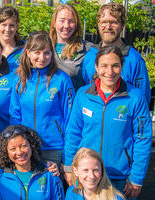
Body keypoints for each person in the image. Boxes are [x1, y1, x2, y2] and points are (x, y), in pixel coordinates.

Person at [63, 46, 152, 199]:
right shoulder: (83, 95)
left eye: (115, 66)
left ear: (122, 67)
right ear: (96, 67)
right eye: (104, 66)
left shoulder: (135, 97)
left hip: (121, 178)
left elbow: (142, 139)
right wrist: (70, 167)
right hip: (88, 175)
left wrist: (136, 178)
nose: (109, 72)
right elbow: (73, 133)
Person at [10, 31, 75, 167]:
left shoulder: (62, 79)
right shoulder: (19, 78)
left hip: (54, 148)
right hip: (27, 149)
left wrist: (68, 157)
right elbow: (15, 115)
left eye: (47, 53)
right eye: (37, 52)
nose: (42, 57)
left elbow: (71, 119)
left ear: (52, 54)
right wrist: (17, 143)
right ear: (28, 52)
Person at [82, 2, 151, 103]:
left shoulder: (134, 60)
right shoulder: (90, 56)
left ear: (122, 25)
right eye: (104, 22)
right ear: (98, 24)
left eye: (113, 22)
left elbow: (143, 100)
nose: (108, 27)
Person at [0, 125, 65, 200]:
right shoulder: (0, 175)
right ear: (6, 152)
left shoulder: (50, 172)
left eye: (23, 146)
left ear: (32, 146)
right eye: (13, 149)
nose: (19, 152)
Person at [49, 4, 92, 92]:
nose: (66, 26)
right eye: (62, 21)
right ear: (54, 23)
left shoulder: (87, 49)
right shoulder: (44, 46)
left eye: (71, 21)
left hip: (72, 103)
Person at [0, 6, 25, 71]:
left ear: (17, 26)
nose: (7, 29)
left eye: (11, 25)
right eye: (4, 25)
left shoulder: (25, 48)